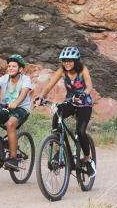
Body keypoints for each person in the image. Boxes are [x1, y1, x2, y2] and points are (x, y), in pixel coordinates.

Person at [36, 46, 96, 177]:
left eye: (70, 60)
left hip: (84, 104)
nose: (67, 63)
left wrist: (84, 94)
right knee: (56, 118)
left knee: (80, 131)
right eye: (64, 60)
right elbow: (49, 85)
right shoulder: (62, 71)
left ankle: (87, 159)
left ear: (76, 61)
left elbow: (89, 86)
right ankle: (59, 149)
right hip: (70, 102)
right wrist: (41, 96)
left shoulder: (83, 70)